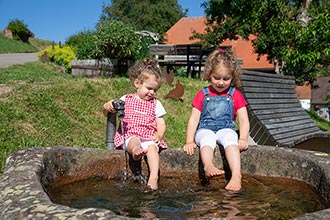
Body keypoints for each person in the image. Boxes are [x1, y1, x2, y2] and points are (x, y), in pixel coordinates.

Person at [183, 49, 250, 191]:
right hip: (205, 128)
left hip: (226, 128)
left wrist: (243, 138)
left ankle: (236, 175)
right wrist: (189, 140)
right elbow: (194, 119)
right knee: (207, 139)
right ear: (209, 74)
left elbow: (244, 120)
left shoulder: (235, 94)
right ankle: (208, 166)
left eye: (226, 79)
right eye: (216, 78)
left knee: (231, 140)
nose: (221, 82)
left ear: (233, 77)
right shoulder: (203, 93)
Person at [103, 59, 167, 190]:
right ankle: (136, 151)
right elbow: (109, 111)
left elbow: (161, 122)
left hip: (149, 136)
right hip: (130, 133)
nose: (152, 93)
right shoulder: (126, 99)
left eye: (155, 90)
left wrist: (159, 134)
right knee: (133, 141)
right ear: (137, 83)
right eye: (149, 88)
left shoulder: (156, 103)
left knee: (153, 149)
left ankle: (153, 177)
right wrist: (107, 106)